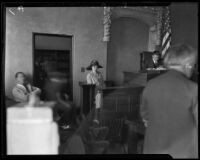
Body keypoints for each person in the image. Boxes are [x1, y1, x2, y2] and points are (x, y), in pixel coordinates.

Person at [140, 44, 198, 158]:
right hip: (183, 152)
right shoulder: (193, 88)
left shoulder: (151, 85)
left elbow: (145, 118)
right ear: (188, 65)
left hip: (152, 148)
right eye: (194, 65)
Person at [86, 60, 104, 124]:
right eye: (93, 66)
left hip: (101, 91)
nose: (95, 67)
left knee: (102, 101)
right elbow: (90, 86)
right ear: (91, 67)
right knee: (98, 101)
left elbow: (103, 83)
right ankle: (96, 118)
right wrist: (97, 83)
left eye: (96, 66)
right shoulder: (89, 75)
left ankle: (101, 118)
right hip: (93, 92)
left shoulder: (100, 74)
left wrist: (100, 86)